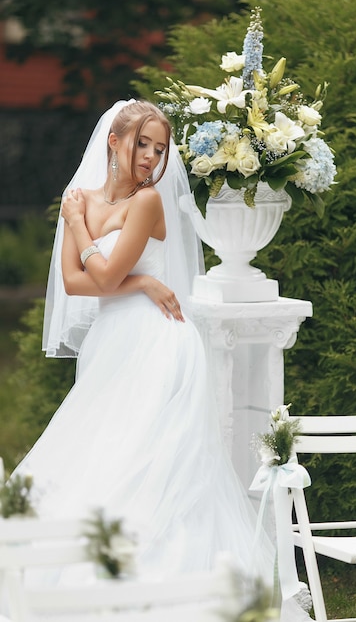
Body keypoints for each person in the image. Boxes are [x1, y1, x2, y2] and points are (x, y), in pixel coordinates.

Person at [2, 99, 312, 620]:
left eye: (160, 149)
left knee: (152, 458)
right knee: (101, 451)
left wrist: (86, 235)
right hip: (111, 340)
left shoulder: (145, 203)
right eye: (141, 144)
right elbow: (76, 284)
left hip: (157, 341)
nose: (150, 158)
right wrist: (137, 278)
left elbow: (100, 277)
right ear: (114, 142)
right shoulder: (83, 198)